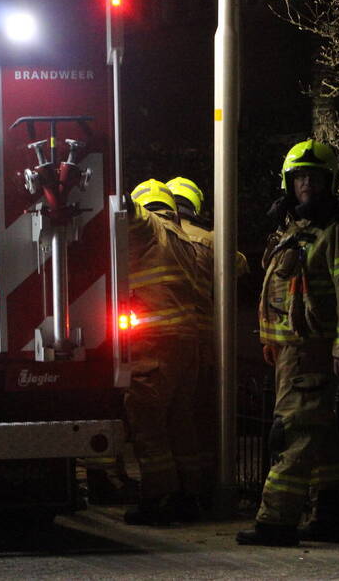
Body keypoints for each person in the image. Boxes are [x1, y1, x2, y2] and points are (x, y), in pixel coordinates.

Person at [236, 139, 339, 547]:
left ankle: (276, 521)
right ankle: (332, 515)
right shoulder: (295, 230)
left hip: (314, 351)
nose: (307, 183)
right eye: (300, 177)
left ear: (330, 182)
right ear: (289, 183)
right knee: (321, 434)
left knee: (291, 433)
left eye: (314, 176)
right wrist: (270, 341)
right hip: (292, 352)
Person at [121, 179, 204, 525]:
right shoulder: (183, 236)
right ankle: (189, 495)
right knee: (181, 421)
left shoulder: (151, 226)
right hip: (187, 342)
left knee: (148, 421)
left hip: (156, 341)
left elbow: (132, 214)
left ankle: (157, 498)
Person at [165, 176, 248, 505]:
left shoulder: (157, 236)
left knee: (171, 413)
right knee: (203, 415)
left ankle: (173, 485)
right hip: (205, 340)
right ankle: (206, 484)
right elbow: (239, 265)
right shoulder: (210, 240)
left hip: (164, 338)